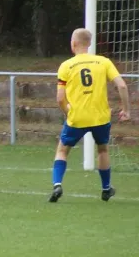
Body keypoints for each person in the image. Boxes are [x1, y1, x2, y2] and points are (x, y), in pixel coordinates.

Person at [49, 28, 130, 203]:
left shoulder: (66, 65)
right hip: (100, 117)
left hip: (77, 117)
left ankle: (57, 185)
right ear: (89, 44)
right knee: (102, 149)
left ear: (73, 44)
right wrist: (126, 109)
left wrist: (68, 112)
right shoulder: (103, 62)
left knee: (63, 150)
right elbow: (122, 86)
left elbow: (60, 98)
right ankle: (106, 188)